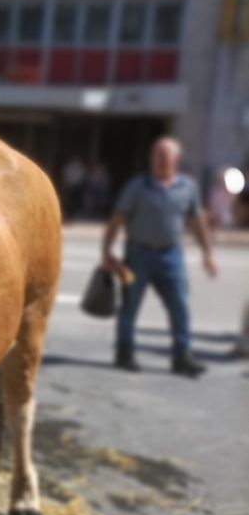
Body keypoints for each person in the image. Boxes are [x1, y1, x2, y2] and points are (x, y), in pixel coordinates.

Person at [101, 137, 217, 377]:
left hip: (171, 255)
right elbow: (117, 219)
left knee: (179, 304)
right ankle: (124, 353)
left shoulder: (187, 187)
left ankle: (182, 355)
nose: (160, 159)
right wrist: (107, 251)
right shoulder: (137, 186)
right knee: (130, 305)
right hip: (138, 255)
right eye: (156, 154)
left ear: (177, 159)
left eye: (165, 155)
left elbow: (197, 222)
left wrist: (207, 253)